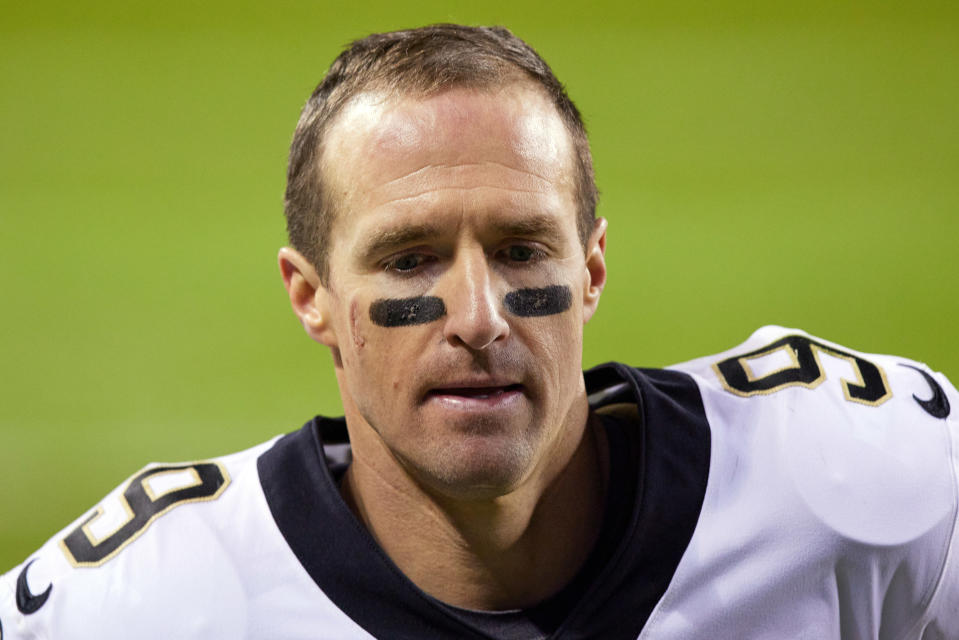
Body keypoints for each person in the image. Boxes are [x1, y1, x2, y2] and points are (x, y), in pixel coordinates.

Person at [1, 23, 957, 640]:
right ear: (311, 297)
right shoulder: (143, 605)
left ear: (589, 271)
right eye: (410, 259)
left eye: (521, 249)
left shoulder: (854, 482)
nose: (477, 317)